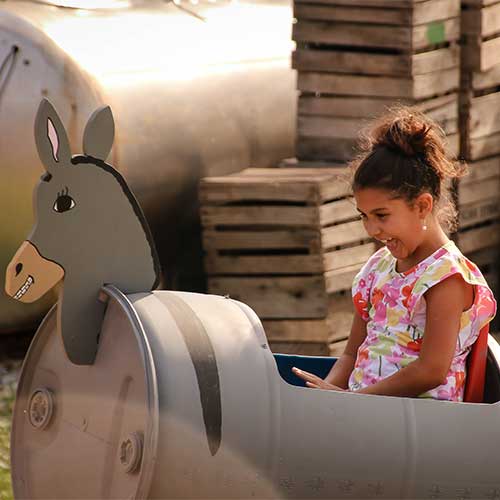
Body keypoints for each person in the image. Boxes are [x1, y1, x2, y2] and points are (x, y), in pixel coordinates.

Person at [293, 107, 497, 401]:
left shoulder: (446, 277)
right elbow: (351, 353)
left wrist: (356, 401)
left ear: (423, 206)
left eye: (382, 215)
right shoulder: (379, 267)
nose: (372, 229)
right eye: (364, 216)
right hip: (366, 411)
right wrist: (328, 396)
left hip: (419, 425)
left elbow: (431, 371)